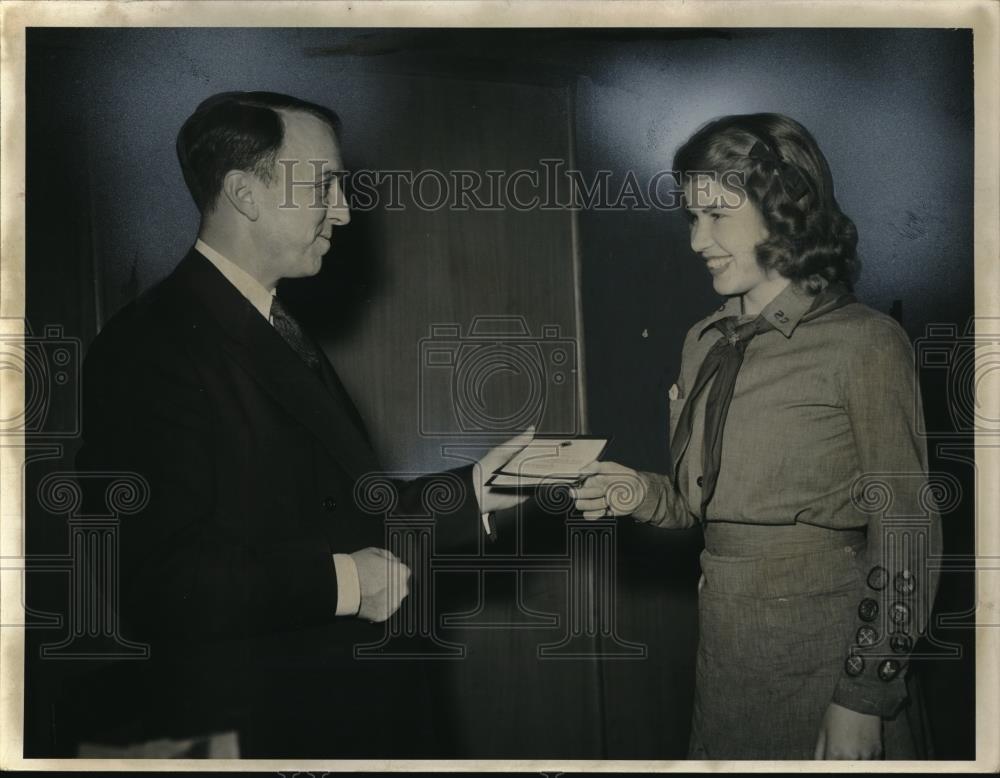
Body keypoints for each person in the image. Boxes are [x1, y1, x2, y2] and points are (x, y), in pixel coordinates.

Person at [70, 91, 530, 757]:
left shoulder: (271, 326)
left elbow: (341, 508)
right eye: (323, 185)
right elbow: (161, 583)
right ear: (244, 194)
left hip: (337, 713)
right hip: (269, 729)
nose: (343, 210)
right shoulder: (150, 346)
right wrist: (346, 583)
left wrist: (478, 488)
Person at [572, 113, 941, 760]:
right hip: (727, 659)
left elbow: (907, 530)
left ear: (784, 207)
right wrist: (641, 494)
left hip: (828, 655)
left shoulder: (866, 344)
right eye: (691, 218)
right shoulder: (703, 342)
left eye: (716, 216)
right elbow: (699, 506)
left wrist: (863, 696)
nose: (696, 241)